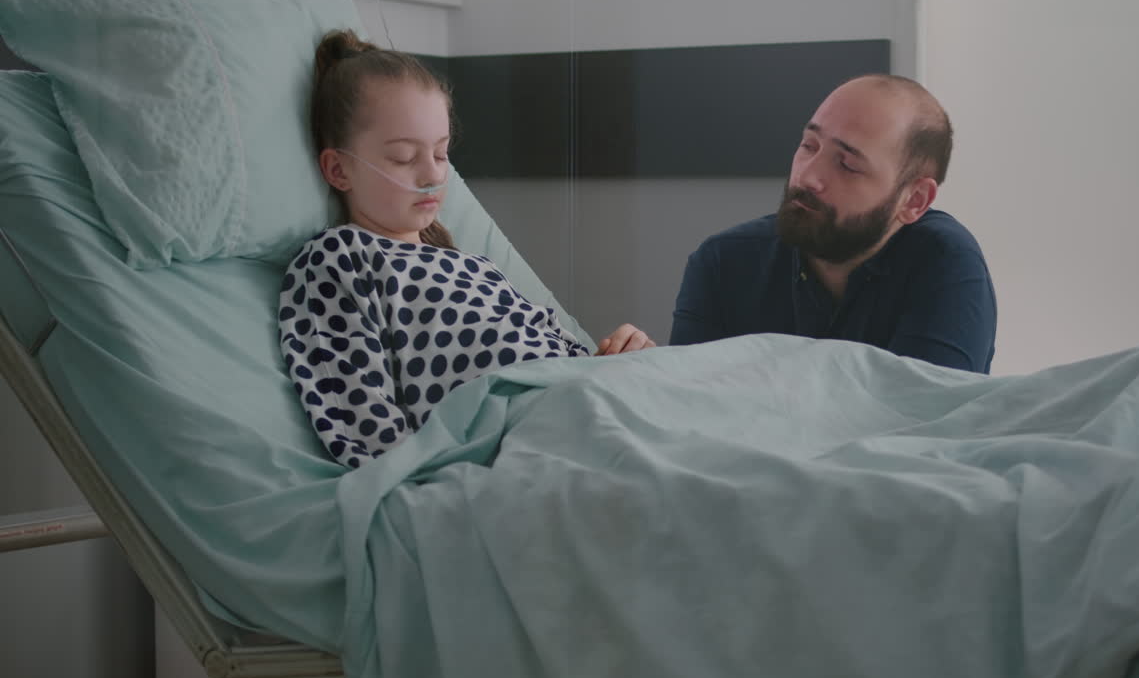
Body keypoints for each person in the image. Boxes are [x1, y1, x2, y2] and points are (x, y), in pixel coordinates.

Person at [280, 30, 654, 469]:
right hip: (530, 440)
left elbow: (556, 356)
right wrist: (425, 484)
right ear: (339, 169)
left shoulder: (473, 265)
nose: (431, 175)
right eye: (403, 157)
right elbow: (360, 417)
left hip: (585, 401)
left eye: (440, 155)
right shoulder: (340, 258)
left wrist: (619, 359)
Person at [669, 74, 996, 373]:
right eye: (808, 146)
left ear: (914, 200)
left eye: (847, 165)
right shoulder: (722, 262)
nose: (807, 176)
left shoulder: (945, 263)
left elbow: (923, 422)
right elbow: (691, 411)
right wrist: (642, 376)